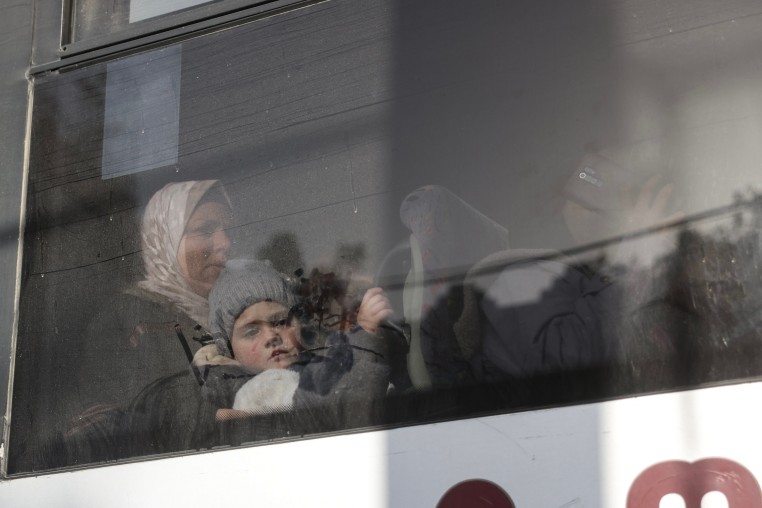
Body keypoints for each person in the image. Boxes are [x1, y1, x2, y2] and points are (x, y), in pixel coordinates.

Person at [53, 180, 233, 464]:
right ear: (165, 239)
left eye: (227, 230)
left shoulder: (239, 315)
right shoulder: (126, 319)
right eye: (205, 230)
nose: (225, 242)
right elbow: (117, 436)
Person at [195, 258, 395, 423]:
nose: (271, 336)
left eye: (281, 321)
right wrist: (365, 334)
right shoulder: (255, 391)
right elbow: (328, 406)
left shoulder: (311, 364)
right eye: (251, 332)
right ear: (229, 352)